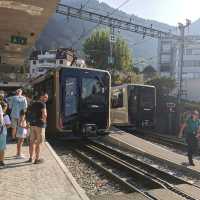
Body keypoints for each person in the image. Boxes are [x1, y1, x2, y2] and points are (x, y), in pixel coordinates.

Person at [28, 93, 48, 164]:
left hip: (32, 125)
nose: (46, 99)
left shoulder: (32, 103)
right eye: (45, 97)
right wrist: (44, 122)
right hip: (39, 125)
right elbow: (44, 114)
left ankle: (30, 158)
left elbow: (28, 112)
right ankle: (37, 159)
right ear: (41, 97)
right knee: (38, 143)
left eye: (46, 97)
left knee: (31, 142)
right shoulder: (42, 104)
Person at [0, 101, 11, 167]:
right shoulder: (5, 116)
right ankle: (1, 161)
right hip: (2, 133)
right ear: (5, 107)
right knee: (2, 148)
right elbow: (9, 125)